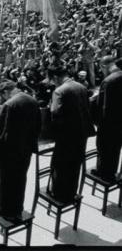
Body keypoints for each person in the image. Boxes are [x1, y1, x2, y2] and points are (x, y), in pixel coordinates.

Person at [0, 80, 40, 221]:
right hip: (26, 149)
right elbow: (38, 125)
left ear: (5, 92)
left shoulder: (9, 104)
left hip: (10, 152)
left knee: (7, 182)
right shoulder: (31, 100)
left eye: (3, 96)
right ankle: (18, 209)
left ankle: (7, 211)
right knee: (21, 179)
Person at [48, 63, 95, 204]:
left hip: (67, 136)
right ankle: (71, 193)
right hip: (82, 133)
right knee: (75, 165)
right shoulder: (81, 86)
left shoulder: (59, 91)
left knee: (61, 166)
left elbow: (55, 113)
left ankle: (59, 195)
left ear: (55, 77)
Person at [93, 56, 122, 181]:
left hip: (108, 124)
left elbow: (104, 107)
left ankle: (103, 174)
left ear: (103, 66)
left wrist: (99, 124)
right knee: (115, 149)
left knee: (105, 149)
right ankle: (111, 172)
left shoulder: (108, 81)